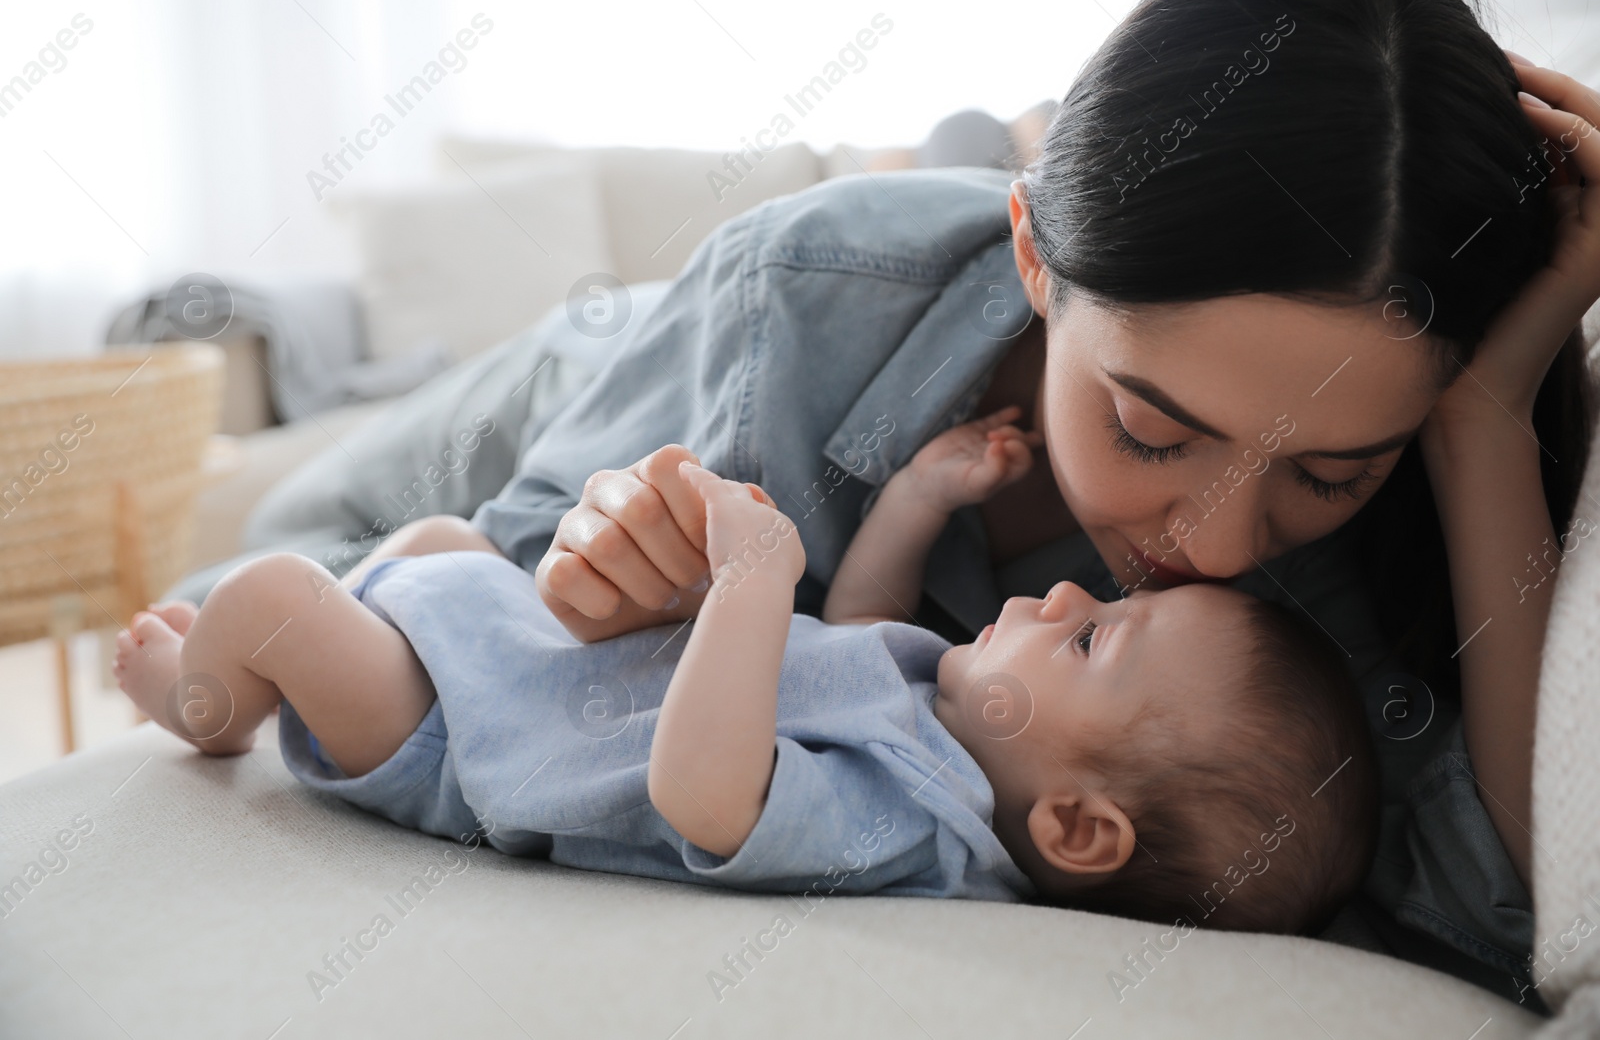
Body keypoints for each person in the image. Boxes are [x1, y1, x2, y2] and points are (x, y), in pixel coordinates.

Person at [163, 0, 1597, 1004]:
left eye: (1328, 470)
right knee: (293, 541)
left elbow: (1509, 909)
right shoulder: (816, 290)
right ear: (1039, 261)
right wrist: (606, 564)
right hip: (565, 385)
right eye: (1153, 430)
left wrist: (1485, 422)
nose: (1212, 542)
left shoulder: (1387, 519)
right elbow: (493, 611)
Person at [115, 409, 1377, 935]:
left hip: (466, 748)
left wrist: (754, 580)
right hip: (530, 673)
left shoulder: (914, 828)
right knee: (446, 543)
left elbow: (705, 792)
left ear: (1078, 826)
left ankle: (203, 705)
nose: (1057, 592)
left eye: (1094, 637)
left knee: (273, 592)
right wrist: (915, 497)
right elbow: (858, 629)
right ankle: (289, 644)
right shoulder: (950, 717)